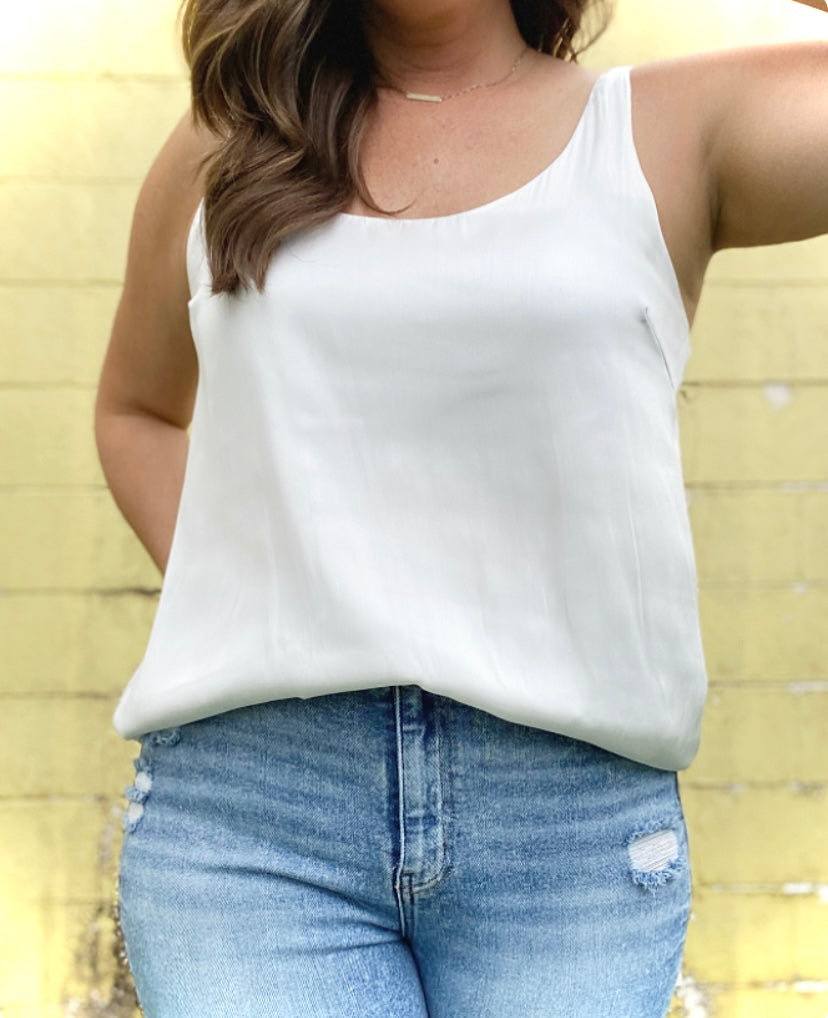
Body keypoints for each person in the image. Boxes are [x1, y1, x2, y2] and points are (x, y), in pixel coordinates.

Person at [95, 0, 827, 1014]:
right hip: (255, 825)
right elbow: (136, 412)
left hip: (564, 833)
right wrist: (260, 595)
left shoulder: (673, 126)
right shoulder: (229, 142)